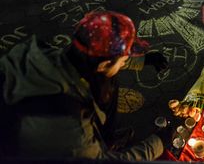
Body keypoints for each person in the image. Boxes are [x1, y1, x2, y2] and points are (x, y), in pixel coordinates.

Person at [0, 11, 171, 161]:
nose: (124, 62)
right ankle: (101, 143)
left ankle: (106, 140)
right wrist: (157, 144)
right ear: (103, 65)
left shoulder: (49, 56)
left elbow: (100, 60)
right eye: (124, 60)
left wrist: (144, 60)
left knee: (109, 82)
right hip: (34, 150)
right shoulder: (70, 122)